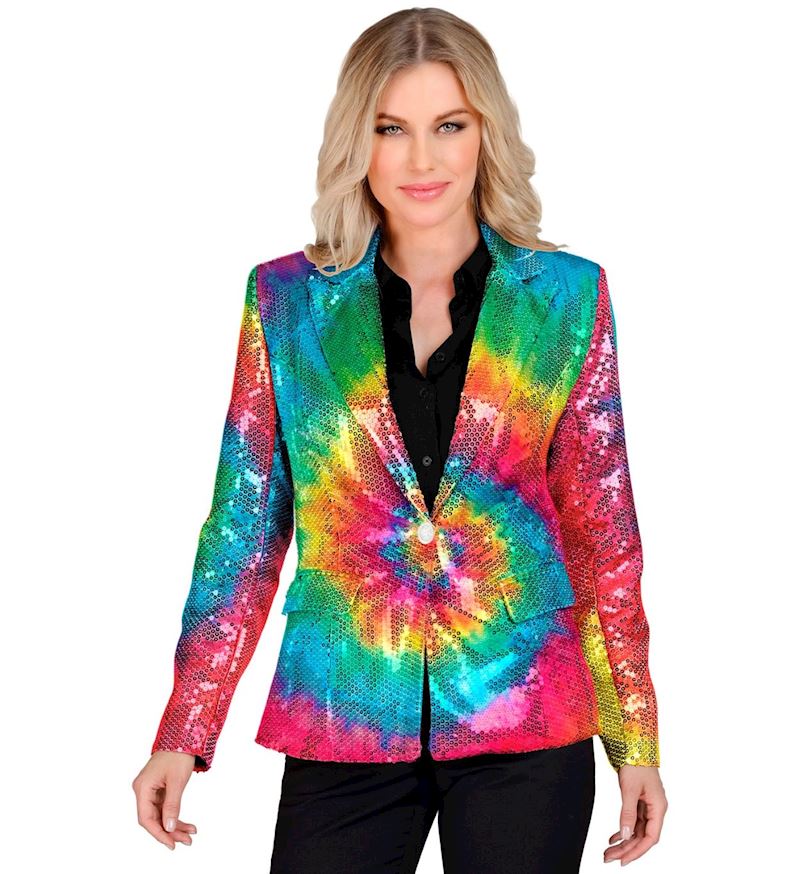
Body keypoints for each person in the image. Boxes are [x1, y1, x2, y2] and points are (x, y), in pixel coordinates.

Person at [132, 7, 668, 871]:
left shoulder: (568, 298)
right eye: (392, 129)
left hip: (525, 710)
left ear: (486, 134)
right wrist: (185, 727)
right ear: (359, 141)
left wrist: (634, 734)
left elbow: (601, 534)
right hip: (344, 709)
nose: (422, 160)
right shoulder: (286, 301)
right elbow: (244, 532)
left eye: (449, 126)